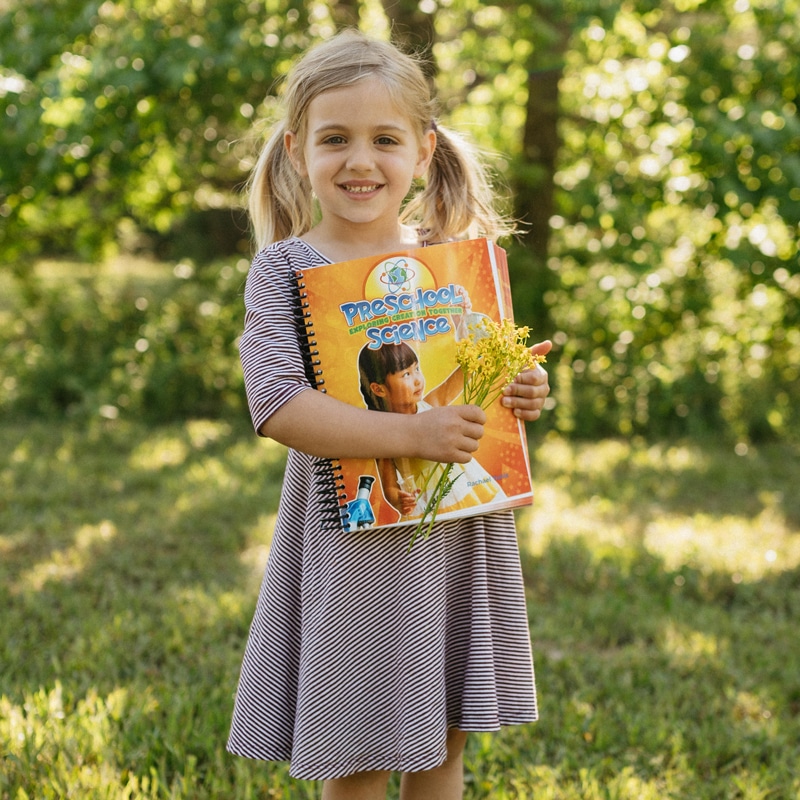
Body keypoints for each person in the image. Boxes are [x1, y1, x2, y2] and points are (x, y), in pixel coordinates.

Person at [226, 29, 553, 800]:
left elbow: (482, 383)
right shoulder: (287, 267)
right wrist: (410, 432)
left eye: (384, 139)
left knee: (442, 746)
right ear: (298, 148)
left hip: (456, 533)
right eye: (336, 139)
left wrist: (521, 389)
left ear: (424, 150)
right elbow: (277, 405)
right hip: (355, 552)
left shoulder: (452, 263)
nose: (361, 161)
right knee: (363, 752)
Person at [357, 340, 507, 520]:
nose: (418, 379)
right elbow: (388, 485)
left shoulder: (429, 406)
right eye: (406, 374)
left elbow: (454, 382)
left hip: (465, 488)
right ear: (378, 389)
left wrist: (482, 356)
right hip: (425, 504)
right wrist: (399, 500)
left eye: (417, 369)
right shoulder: (383, 433)